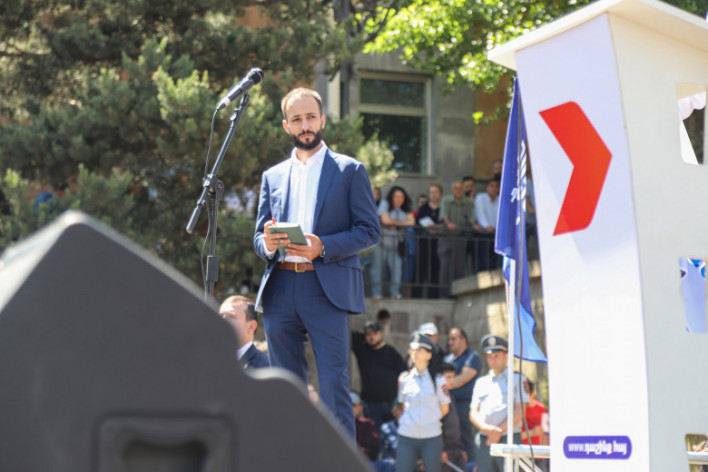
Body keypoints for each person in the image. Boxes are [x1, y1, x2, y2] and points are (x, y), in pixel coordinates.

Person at [253, 87, 381, 438]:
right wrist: (266, 244)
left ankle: (338, 461)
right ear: (286, 126)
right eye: (296, 119)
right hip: (280, 287)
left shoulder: (349, 170)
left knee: (334, 386)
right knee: (285, 387)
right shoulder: (273, 176)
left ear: (322, 120)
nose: (305, 125)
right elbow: (259, 236)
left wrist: (323, 246)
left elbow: (370, 230)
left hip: (326, 289)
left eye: (310, 117)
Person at [469, 335, 529, 472]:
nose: (493, 360)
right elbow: (473, 413)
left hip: (509, 438)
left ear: (506, 355)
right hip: (485, 440)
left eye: (497, 356)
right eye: (489, 357)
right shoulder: (481, 382)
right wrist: (487, 430)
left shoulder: (517, 379)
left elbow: (520, 411)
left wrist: (498, 431)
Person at [396, 332, 450, 472]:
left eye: (419, 350)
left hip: (431, 436)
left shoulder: (438, 380)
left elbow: (445, 408)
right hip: (407, 435)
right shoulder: (404, 378)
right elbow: (402, 406)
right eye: (412, 349)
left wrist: (429, 420)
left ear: (429, 355)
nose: (414, 353)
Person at [351, 321, 407, 432]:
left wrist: (399, 402)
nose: (371, 337)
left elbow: (404, 375)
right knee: (373, 435)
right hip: (371, 404)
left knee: (392, 435)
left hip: (391, 403)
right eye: (368, 334)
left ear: (381, 334)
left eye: (375, 333)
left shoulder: (391, 352)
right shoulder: (362, 350)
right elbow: (349, 334)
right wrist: (365, 336)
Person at [443, 327, 481, 464]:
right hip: (447, 405)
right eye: (449, 339)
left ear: (463, 340)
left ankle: (471, 466)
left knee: (467, 439)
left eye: (454, 339)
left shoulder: (472, 356)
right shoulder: (447, 359)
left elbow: (463, 378)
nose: (450, 342)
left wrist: (443, 385)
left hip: (465, 405)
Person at [372, 186, 415, 299]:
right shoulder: (385, 203)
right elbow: (385, 220)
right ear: (391, 197)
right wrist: (401, 224)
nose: (399, 199)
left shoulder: (405, 208)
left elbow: (411, 222)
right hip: (380, 243)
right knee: (377, 269)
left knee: (397, 270)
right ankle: (377, 293)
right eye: (396, 196)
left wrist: (394, 224)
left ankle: (395, 292)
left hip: (396, 244)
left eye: (401, 197)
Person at [439, 181, 476, 297]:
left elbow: (471, 216)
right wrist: (448, 223)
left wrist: (474, 225)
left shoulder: (468, 202)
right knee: (445, 266)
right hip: (446, 236)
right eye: (456, 188)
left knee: (459, 267)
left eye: (460, 188)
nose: (458, 191)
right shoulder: (446, 200)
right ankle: (444, 294)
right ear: (452, 190)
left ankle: (457, 294)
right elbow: (444, 214)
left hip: (460, 237)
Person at [219, 295, 270, 370]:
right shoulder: (209, 359)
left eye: (230, 316)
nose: (222, 321)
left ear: (251, 327)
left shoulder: (263, 368)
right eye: (220, 316)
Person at [414, 183, 443, 298]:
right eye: (431, 192)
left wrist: (437, 227)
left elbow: (444, 222)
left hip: (438, 242)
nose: (433, 194)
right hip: (425, 242)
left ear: (440, 194)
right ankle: (417, 296)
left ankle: (434, 296)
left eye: (436, 192)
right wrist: (428, 228)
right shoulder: (424, 208)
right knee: (421, 268)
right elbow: (418, 222)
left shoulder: (443, 208)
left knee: (435, 269)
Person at [439, 362, 469, 472]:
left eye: (453, 377)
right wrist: (440, 450)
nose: (452, 381)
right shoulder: (436, 399)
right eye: (448, 377)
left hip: (456, 448)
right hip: (444, 450)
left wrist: (461, 448)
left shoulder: (450, 397)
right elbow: (437, 425)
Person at [520, 380, 549, 472]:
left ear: (533, 394)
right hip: (521, 454)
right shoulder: (517, 410)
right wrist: (532, 432)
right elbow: (514, 436)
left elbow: (545, 433)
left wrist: (546, 455)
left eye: (527, 393)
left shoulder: (541, 407)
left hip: (539, 455)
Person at [473, 177, 501, 271]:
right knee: (484, 261)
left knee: (495, 261)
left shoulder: (500, 199)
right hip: (483, 234)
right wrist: (487, 226)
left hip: (496, 234)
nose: (494, 189)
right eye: (491, 186)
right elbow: (480, 213)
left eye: (496, 186)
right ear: (486, 188)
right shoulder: (480, 197)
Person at [352, 391, 380, 461]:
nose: (349, 407)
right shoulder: (336, 423)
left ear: (360, 407)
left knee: (388, 464)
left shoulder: (367, 423)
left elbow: (373, 443)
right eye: (346, 404)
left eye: (353, 405)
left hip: (365, 463)